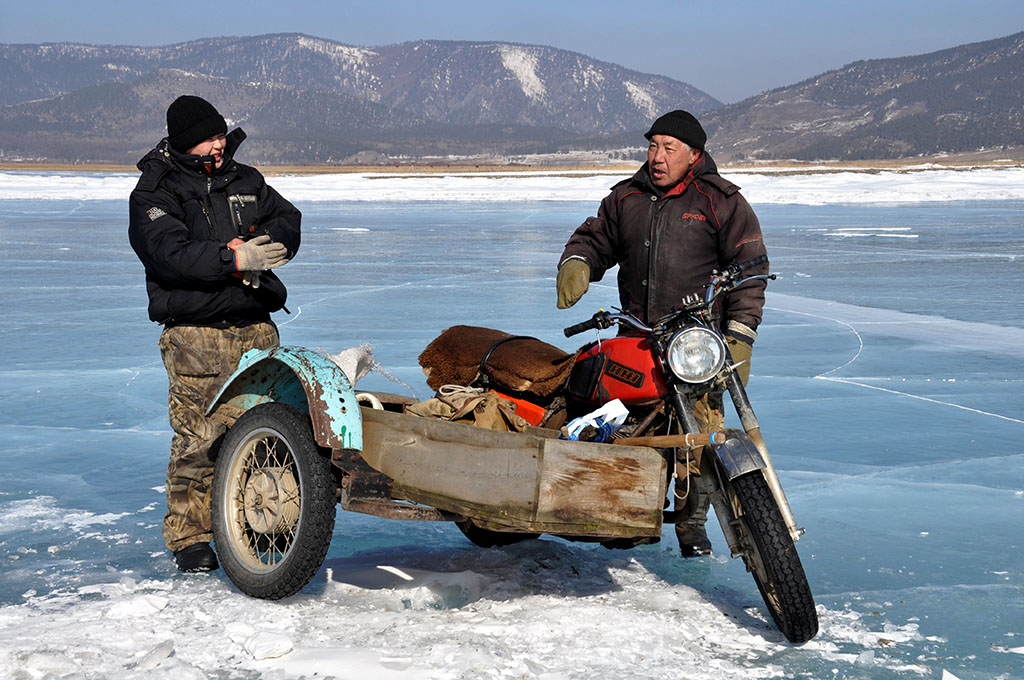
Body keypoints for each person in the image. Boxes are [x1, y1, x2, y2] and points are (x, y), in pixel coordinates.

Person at [555, 109, 767, 557]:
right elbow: (595, 240)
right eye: (652, 146)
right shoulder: (625, 198)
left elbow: (750, 271)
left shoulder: (721, 201)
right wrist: (578, 262)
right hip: (636, 335)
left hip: (695, 342)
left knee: (700, 436)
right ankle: (616, 506)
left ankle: (691, 524)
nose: (657, 157)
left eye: (669, 148)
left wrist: (740, 334)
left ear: (694, 155)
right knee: (627, 422)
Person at [128, 95, 301, 573]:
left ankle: (261, 522)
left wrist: (267, 246)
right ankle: (192, 537)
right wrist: (232, 260)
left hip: (257, 329)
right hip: (196, 335)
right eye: (209, 137)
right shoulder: (154, 192)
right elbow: (168, 254)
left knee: (267, 432)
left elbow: (288, 220)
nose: (219, 144)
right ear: (186, 143)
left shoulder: (245, 179)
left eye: (221, 134)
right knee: (199, 437)